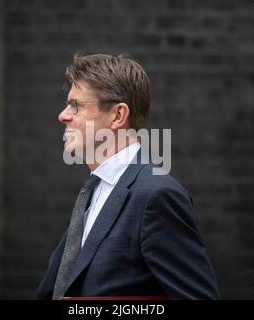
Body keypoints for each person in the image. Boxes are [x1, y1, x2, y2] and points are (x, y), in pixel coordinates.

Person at [37, 53, 220, 300]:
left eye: (76, 106)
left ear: (117, 116)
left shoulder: (157, 195)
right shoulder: (93, 190)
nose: (63, 115)